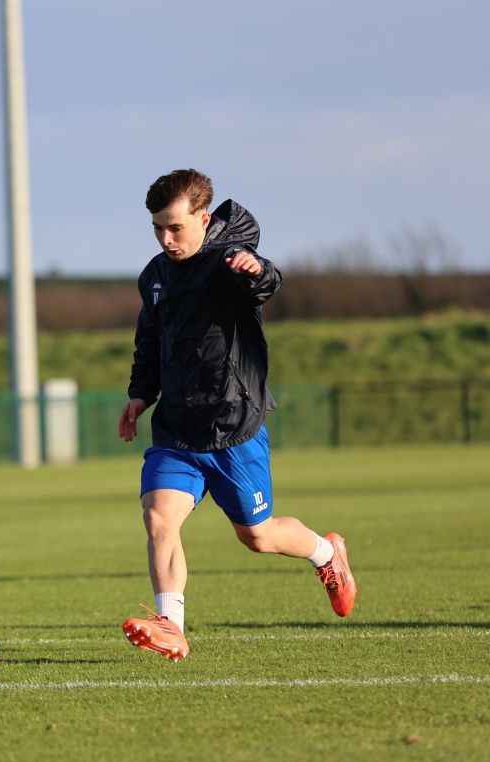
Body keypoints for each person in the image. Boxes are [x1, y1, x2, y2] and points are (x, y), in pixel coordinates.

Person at [118, 168, 356, 662]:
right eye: (158, 228)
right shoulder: (155, 277)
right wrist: (140, 394)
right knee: (159, 517)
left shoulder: (230, 262)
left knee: (258, 537)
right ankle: (171, 625)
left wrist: (257, 270)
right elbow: (150, 340)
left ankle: (327, 553)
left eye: (176, 227)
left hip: (233, 425)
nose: (166, 239)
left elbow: (266, 282)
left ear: (204, 219)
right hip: (177, 430)